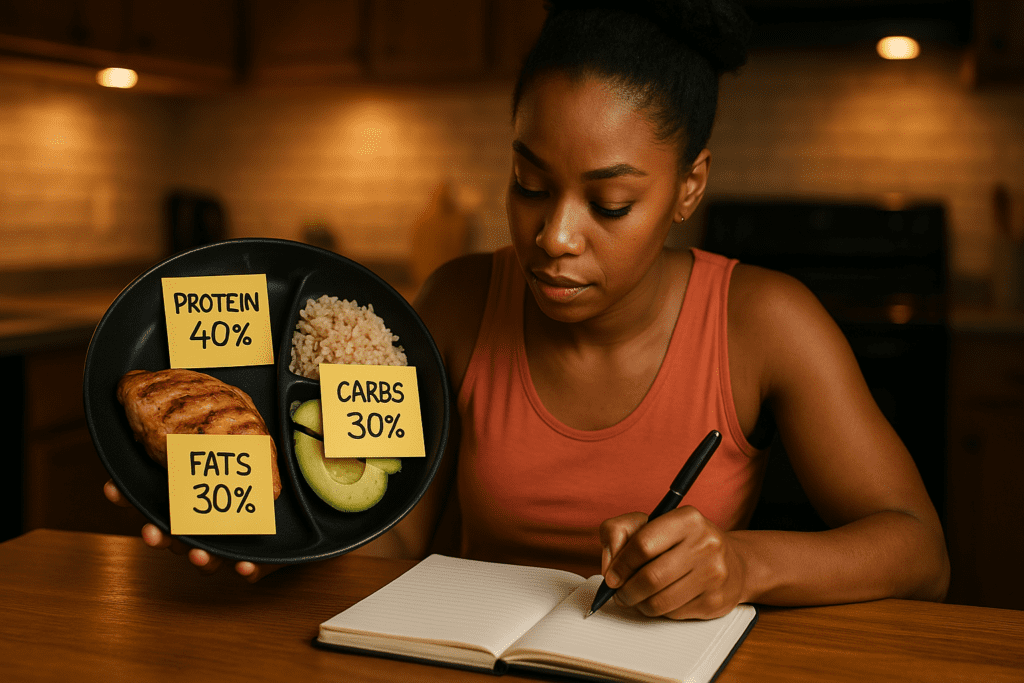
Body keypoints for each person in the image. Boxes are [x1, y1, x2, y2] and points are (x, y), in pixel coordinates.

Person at [106, 0, 949, 619]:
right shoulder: (459, 300)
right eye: (529, 184)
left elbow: (920, 548)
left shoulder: (766, 322)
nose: (553, 236)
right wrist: (272, 542)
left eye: (609, 204)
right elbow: (396, 539)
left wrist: (742, 565)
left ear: (690, 185)